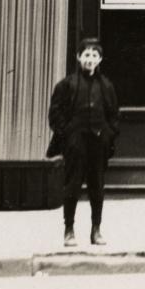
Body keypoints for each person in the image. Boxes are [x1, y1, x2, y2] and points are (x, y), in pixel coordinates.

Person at [47, 37, 119, 247]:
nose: (90, 59)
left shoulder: (106, 86)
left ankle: (96, 230)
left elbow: (114, 115)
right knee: (72, 186)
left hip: (98, 143)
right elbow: (55, 114)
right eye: (86, 55)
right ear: (78, 57)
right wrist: (68, 134)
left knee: (97, 186)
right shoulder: (66, 85)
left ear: (100, 59)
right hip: (75, 143)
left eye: (94, 55)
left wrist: (108, 134)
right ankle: (69, 230)